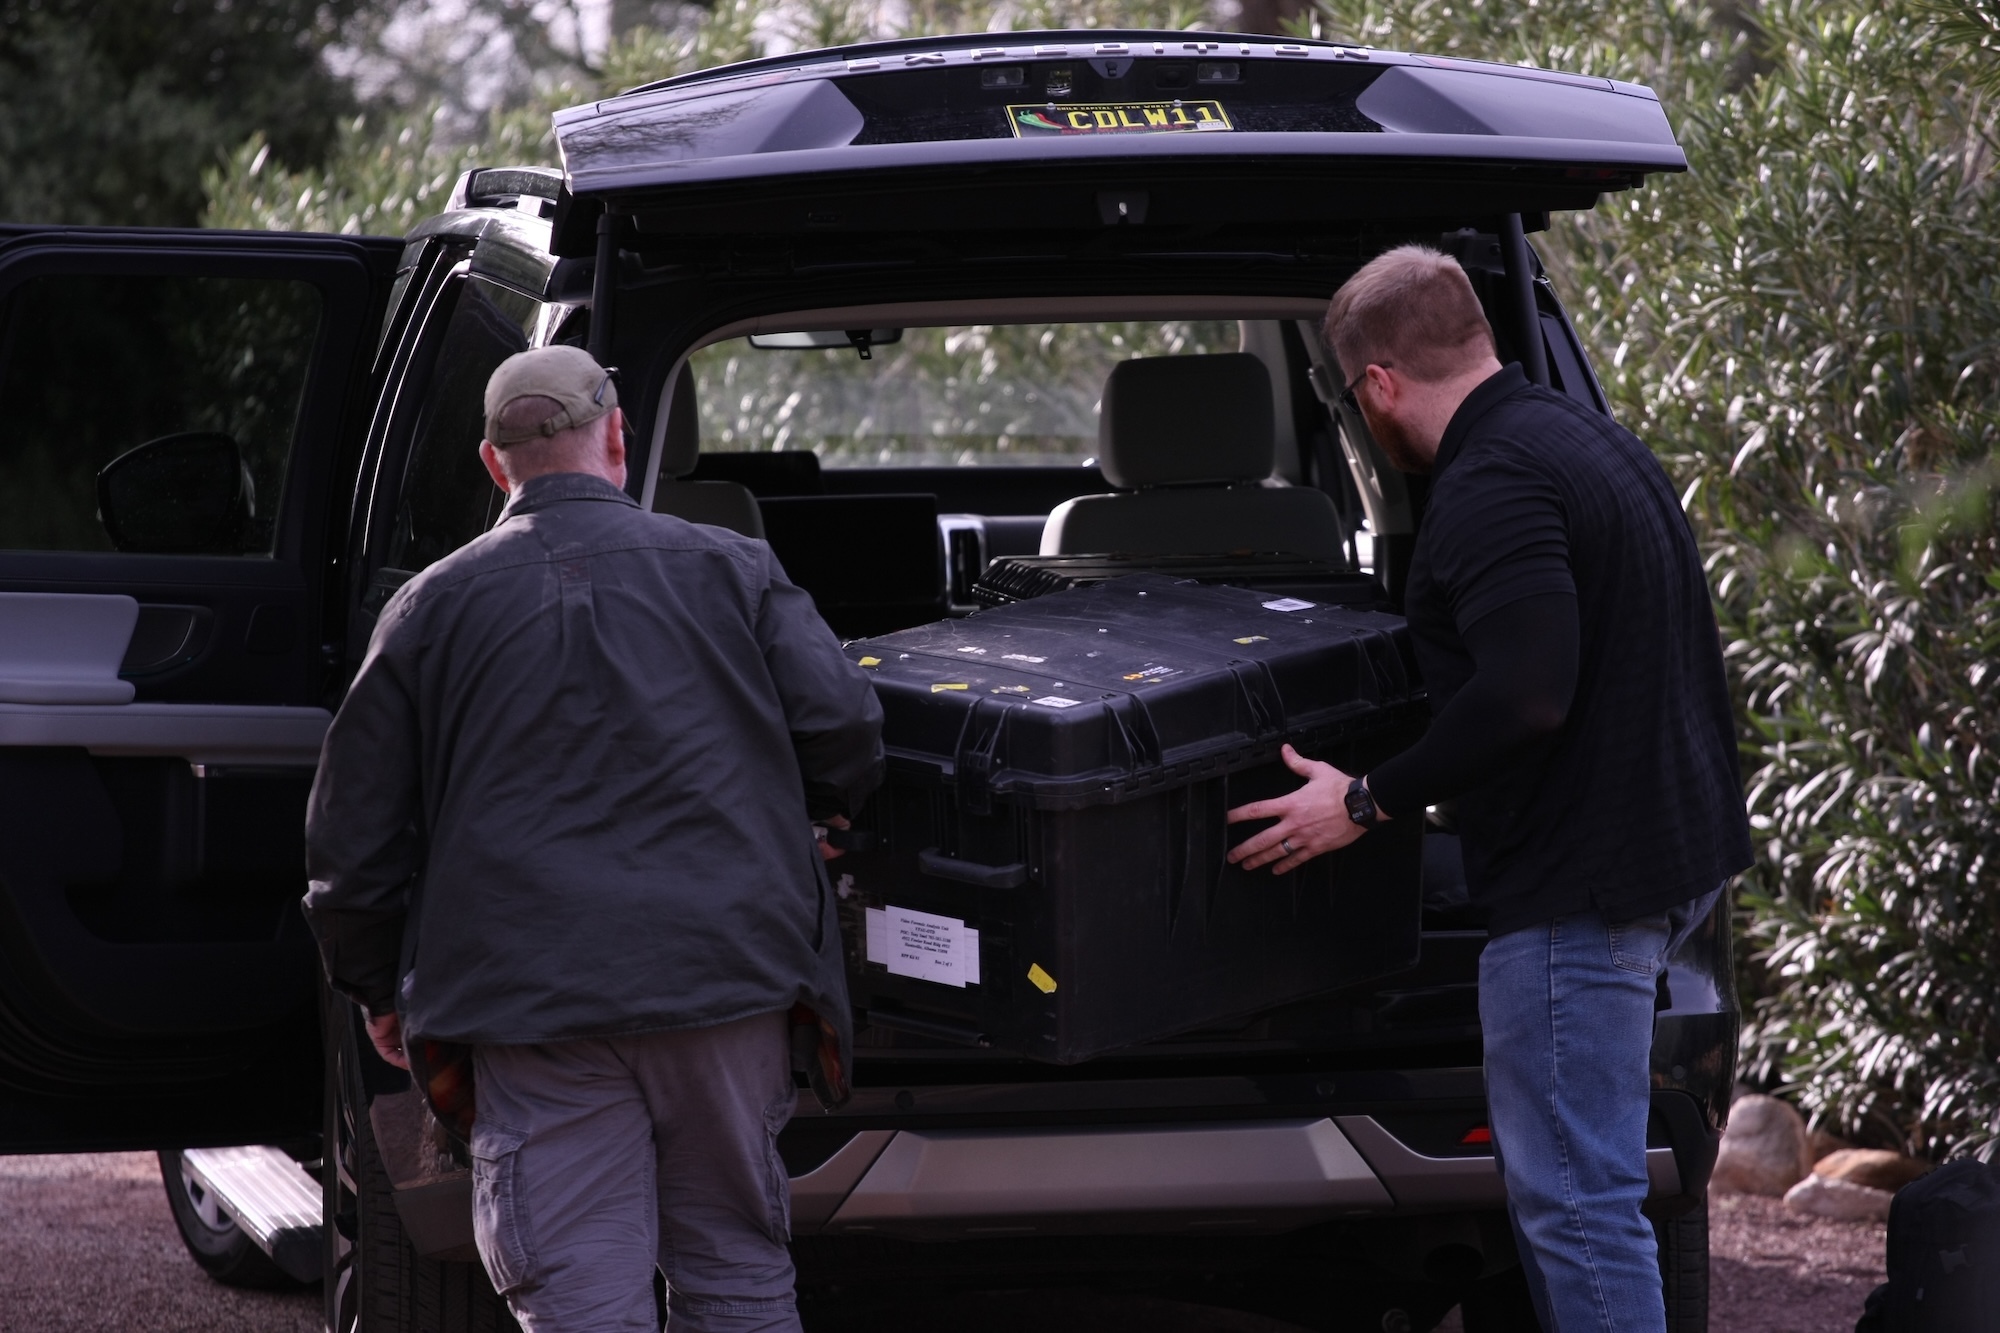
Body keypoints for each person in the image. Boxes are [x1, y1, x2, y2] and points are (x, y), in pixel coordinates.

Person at [302, 344, 884, 1333]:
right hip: (727, 982)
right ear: (618, 436)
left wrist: (374, 982)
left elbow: (352, 837)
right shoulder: (732, 569)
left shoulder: (428, 607)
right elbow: (845, 729)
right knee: (737, 1271)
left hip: (531, 1007)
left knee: (576, 1298)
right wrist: (818, 829)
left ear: (495, 465)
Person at [1225, 246, 1751, 1331]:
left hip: (1576, 899)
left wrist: (1362, 800)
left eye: (1350, 397)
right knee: (1592, 1192)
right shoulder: (1589, 440)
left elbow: (1523, 695)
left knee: (1576, 1204)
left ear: (1375, 383)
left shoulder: (1490, 486)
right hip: (1660, 863)